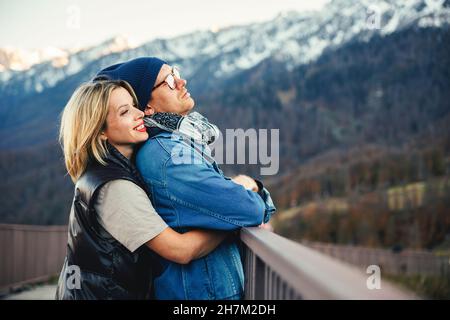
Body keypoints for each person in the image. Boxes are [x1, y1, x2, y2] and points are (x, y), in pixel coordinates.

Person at [95, 57, 276, 300]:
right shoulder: (167, 155)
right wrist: (249, 186)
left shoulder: (178, 142)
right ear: (147, 107)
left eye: (176, 72)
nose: (181, 81)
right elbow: (250, 209)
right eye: (168, 81)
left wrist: (227, 209)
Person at [56, 80, 226, 300]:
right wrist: (230, 221)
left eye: (134, 105)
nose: (139, 114)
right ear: (100, 132)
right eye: (125, 112)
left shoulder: (103, 172)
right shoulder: (115, 188)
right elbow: (181, 250)